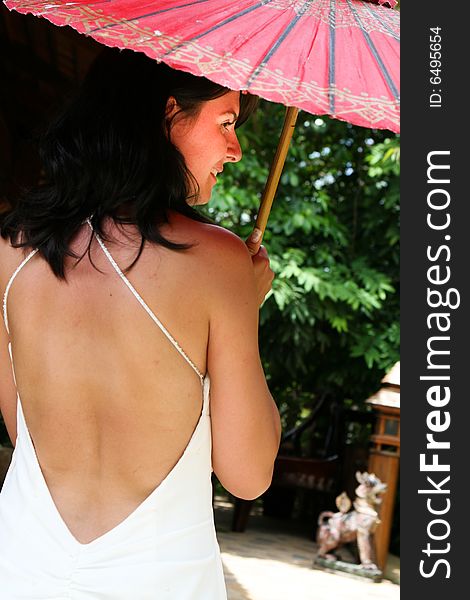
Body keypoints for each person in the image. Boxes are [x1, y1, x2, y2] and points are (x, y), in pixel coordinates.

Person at [0, 48, 281, 598]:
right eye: (225, 123)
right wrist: (244, 309)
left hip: (21, 567)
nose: (236, 149)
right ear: (170, 115)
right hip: (161, 579)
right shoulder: (217, 263)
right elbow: (249, 475)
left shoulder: (10, 251)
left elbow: (20, 428)